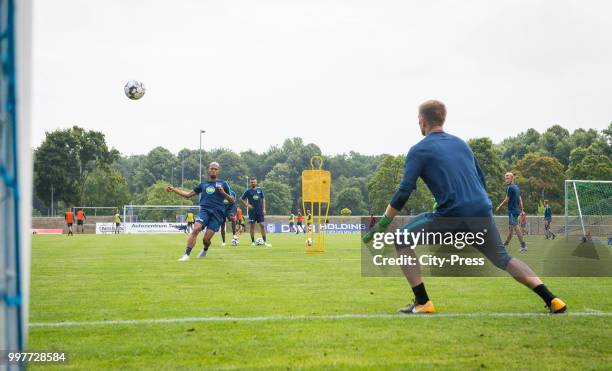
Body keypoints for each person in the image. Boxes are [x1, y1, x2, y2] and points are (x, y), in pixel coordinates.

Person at [364, 100, 566, 315]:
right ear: (443, 118)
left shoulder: (419, 150)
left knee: (402, 238)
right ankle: (553, 299)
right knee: (503, 258)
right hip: (480, 210)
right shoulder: (462, 144)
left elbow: (404, 190)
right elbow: (480, 179)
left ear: (421, 120)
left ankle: (423, 301)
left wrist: (385, 221)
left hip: (452, 213)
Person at [167, 162, 234, 261]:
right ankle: (186, 255)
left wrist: (223, 193)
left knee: (206, 240)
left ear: (218, 171)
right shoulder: (203, 184)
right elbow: (188, 195)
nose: (213, 170)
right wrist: (174, 189)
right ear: (209, 169)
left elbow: (232, 200)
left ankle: (205, 249)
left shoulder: (224, 184)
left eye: (215, 169)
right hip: (204, 211)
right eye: (212, 168)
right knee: (196, 229)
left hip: (217, 214)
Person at [495, 172, 528, 252]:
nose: (506, 180)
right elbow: (520, 199)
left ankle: (523, 246)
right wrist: (522, 209)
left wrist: (499, 206)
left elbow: (507, 199)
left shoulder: (510, 188)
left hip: (512, 211)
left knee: (516, 227)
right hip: (515, 210)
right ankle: (505, 244)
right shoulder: (516, 187)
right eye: (505, 178)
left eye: (508, 178)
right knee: (511, 229)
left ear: (512, 178)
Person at [241, 177, 272, 247]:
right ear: (250, 183)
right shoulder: (248, 191)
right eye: (252, 182)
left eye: (254, 182)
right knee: (252, 226)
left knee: (262, 225)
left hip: (260, 211)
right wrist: (248, 205)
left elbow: (263, 199)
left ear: (256, 182)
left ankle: (265, 242)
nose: (253, 183)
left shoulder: (259, 190)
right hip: (252, 212)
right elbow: (241, 199)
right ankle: (252, 242)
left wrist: (264, 209)